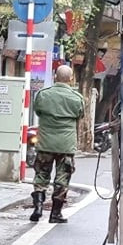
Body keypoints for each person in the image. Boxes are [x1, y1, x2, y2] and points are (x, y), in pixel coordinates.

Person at [30, 65, 84, 223]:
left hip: (45, 143)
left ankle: (38, 207)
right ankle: (55, 214)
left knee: (41, 176)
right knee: (62, 179)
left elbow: (38, 111)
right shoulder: (76, 98)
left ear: (55, 76)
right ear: (71, 78)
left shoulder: (43, 95)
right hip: (66, 145)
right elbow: (80, 115)